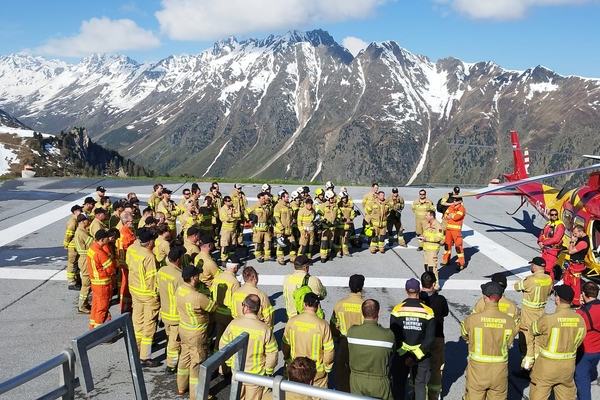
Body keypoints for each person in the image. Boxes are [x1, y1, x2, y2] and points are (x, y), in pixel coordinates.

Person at [461, 282, 518, 399]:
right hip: (500, 371)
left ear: (485, 298)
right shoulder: (509, 321)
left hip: (478, 370)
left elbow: (465, 335)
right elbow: (509, 341)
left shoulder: (472, 319)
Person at [529, 285, 586, 400]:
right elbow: (580, 340)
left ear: (557, 298)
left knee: (538, 395)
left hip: (546, 367)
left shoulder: (549, 319)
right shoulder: (579, 319)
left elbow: (533, 330)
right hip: (568, 368)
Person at [220, 294, 278, 400]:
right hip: (256, 377)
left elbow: (223, 346)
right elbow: (272, 353)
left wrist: (230, 363)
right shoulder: (265, 329)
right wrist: (268, 371)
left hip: (237, 373)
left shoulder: (233, 324)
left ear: (246, 307)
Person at [176, 265, 218, 399]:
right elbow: (212, 307)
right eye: (197, 275)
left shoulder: (180, 289)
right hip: (197, 335)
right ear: (193, 278)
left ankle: (181, 387)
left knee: (184, 358)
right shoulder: (198, 297)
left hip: (183, 330)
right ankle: (197, 395)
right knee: (197, 364)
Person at [390, 278, 435, 400]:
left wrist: (404, 354)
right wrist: (416, 355)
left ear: (405, 291)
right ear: (419, 291)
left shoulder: (397, 310)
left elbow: (394, 335)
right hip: (422, 355)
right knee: (420, 385)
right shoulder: (428, 311)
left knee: (398, 384)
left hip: (401, 355)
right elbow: (430, 338)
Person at [282, 293, 335, 388]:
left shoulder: (292, 321)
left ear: (303, 304)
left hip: (296, 370)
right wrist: (327, 367)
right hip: (316, 372)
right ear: (318, 306)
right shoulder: (323, 325)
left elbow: (285, 344)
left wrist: (287, 358)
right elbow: (329, 350)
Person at [347, 299, 395, 400]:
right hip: (379, 382)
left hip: (356, 380)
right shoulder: (388, 335)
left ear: (361, 313)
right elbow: (392, 351)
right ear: (378, 313)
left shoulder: (352, 332)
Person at [513, 257, 553, 377]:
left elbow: (517, 286)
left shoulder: (531, 280)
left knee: (527, 342)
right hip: (541, 314)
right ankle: (537, 366)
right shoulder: (548, 279)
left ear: (534, 266)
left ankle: (526, 368)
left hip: (528, 315)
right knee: (538, 342)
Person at [127, 228, 161, 367]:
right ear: (149, 242)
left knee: (137, 322)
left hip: (135, 291)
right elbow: (152, 279)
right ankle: (144, 357)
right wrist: (157, 296)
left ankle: (135, 351)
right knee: (149, 325)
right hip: (147, 295)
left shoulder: (132, 249)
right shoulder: (149, 257)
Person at [330, 274, 365, 392]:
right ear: (362, 287)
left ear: (349, 286)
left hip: (344, 343)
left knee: (343, 373)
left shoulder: (340, 304)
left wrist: (337, 341)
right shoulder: (366, 305)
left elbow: (333, 325)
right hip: (360, 346)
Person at [419, 271, 449, 400]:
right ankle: (434, 394)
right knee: (436, 366)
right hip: (437, 336)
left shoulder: (417, 299)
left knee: (418, 365)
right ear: (434, 284)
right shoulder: (440, 299)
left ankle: (415, 391)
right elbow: (445, 313)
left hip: (420, 337)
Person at [157, 246, 186, 374]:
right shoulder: (179, 276)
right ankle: (171, 365)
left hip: (165, 312)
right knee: (175, 342)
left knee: (169, 337)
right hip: (175, 315)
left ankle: (167, 354)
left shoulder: (162, 270)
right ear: (178, 260)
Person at [575, 281, 600, 400]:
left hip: (584, 351)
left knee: (581, 380)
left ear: (583, 294)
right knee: (587, 373)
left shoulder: (582, 312)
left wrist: (580, 306)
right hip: (598, 350)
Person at [211, 255, 241, 353]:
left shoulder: (218, 277)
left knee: (219, 335)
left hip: (217, 312)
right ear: (235, 267)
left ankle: (215, 355)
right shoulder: (234, 282)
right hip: (228, 314)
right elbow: (237, 300)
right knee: (228, 339)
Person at [87, 229, 116, 330]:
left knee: (95, 307)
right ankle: (100, 332)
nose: (108, 239)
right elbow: (111, 268)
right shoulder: (100, 253)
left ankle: (92, 327)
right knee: (102, 309)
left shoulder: (92, 248)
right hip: (103, 284)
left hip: (95, 283)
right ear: (102, 239)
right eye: (106, 238)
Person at [537, 208, 566, 283]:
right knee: (543, 267)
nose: (554, 216)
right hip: (545, 250)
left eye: (555, 214)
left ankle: (550, 287)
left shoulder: (560, 225)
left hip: (553, 250)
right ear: (549, 215)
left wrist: (544, 243)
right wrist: (539, 241)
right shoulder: (548, 223)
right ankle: (545, 284)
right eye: (552, 214)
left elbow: (556, 239)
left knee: (548, 269)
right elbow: (542, 233)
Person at [246, 192, 273, 263]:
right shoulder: (255, 206)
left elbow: (269, 216)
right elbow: (246, 212)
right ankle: (258, 256)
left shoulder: (267, 207)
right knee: (258, 244)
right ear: (259, 199)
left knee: (268, 242)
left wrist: (270, 223)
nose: (264, 200)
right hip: (258, 229)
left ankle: (267, 256)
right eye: (263, 199)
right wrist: (249, 220)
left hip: (266, 228)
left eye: (264, 198)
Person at [565, 225, 589, 306]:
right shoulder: (580, 239)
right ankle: (565, 295)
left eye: (575, 233)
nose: (574, 235)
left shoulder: (583, 242)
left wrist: (572, 241)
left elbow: (570, 251)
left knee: (575, 283)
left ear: (581, 232)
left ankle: (576, 302)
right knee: (567, 279)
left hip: (577, 266)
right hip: (572, 263)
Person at [420, 210, 445, 289]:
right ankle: (428, 282)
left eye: (427, 215)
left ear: (432, 216)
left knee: (432, 267)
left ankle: (436, 283)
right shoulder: (428, 224)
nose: (425, 217)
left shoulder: (437, 225)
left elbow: (438, 238)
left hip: (432, 249)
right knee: (426, 266)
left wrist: (426, 238)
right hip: (426, 248)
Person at [74, 213, 93, 314]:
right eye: (87, 220)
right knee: (86, 284)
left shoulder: (81, 231)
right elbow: (92, 243)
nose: (88, 222)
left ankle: (84, 303)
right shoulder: (82, 232)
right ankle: (81, 306)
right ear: (82, 221)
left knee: (87, 283)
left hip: (84, 259)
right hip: (85, 259)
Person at [117, 212, 135, 313]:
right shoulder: (126, 236)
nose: (133, 223)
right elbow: (125, 251)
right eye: (131, 221)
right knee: (126, 287)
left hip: (125, 264)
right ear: (126, 222)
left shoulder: (124, 232)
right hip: (127, 265)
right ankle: (125, 310)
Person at [441, 197, 466, 271]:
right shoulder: (451, 207)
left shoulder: (462, 209)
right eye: (454, 200)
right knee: (447, 246)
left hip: (456, 231)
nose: (454, 201)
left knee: (458, 247)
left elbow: (456, 217)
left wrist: (451, 215)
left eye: (456, 200)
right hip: (448, 230)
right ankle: (446, 260)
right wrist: (450, 215)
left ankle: (461, 263)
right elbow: (445, 215)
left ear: (460, 201)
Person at [274, 190, 296, 265]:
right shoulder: (278, 206)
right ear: (282, 198)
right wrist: (281, 228)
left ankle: (292, 258)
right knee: (280, 246)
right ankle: (280, 259)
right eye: (287, 197)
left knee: (293, 244)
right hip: (281, 231)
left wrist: (293, 221)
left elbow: (291, 216)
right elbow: (276, 218)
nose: (288, 198)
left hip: (289, 230)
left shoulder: (289, 206)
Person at [64, 204, 82, 290]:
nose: (81, 212)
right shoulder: (72, 222)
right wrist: (66, 244)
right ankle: (71, 282)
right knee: (72, 264)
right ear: (75, 212)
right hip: (73, 246)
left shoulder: (77, 220)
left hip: (76, 246)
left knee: (76, 264)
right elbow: (69, 235)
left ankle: (77, 280)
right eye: (79, 210)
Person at [318, 190, 339, 262]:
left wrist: (337, 220)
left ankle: (328, 255)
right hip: (325, 228)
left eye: (333, 198)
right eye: (331, 198)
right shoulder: (323, 206)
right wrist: (325, 221)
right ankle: (323, 257)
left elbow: (338, 214)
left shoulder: (335, 205)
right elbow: (319, 215)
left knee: (330, 242)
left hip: (333, 228)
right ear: (328, 198)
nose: (333, 199)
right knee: (324, 242)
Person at [219, 195, 241, 265]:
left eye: (230, 200)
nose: (230, 202)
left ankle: (231, 258)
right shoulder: (222, 209)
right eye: (228, 201)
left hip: (233, 230)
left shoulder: (233, 208)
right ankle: (223, 260)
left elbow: (239, 215)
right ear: (225, 202)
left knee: (232, 246)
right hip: (226, 231)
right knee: (225, 246)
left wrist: (232, 216)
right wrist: (234, 217)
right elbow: (226, 219)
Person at [336, 192, 355, 257]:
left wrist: (351, 219)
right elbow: (337, 214)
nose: (345, 199)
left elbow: (352, 213)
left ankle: (345, 252)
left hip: (347, 225)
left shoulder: (349, 205)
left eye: (345, 198)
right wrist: (342, 219)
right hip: (340, 225)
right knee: (339, 239)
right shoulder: (338, 205)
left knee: (346, 239)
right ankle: (338, 252)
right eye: (343, 198)